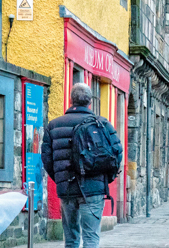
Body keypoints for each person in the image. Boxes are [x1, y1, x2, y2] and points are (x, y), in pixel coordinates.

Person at [42, 83, 123, 248]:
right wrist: (105, 179)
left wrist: (61, 179)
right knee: (91, 238)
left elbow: (47, 159)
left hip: (67, 189)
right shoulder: (102, 124)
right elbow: (116, 152)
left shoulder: (54, 125)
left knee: (71, 240)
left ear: (71, 100)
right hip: (94, 188)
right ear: (90, 102)